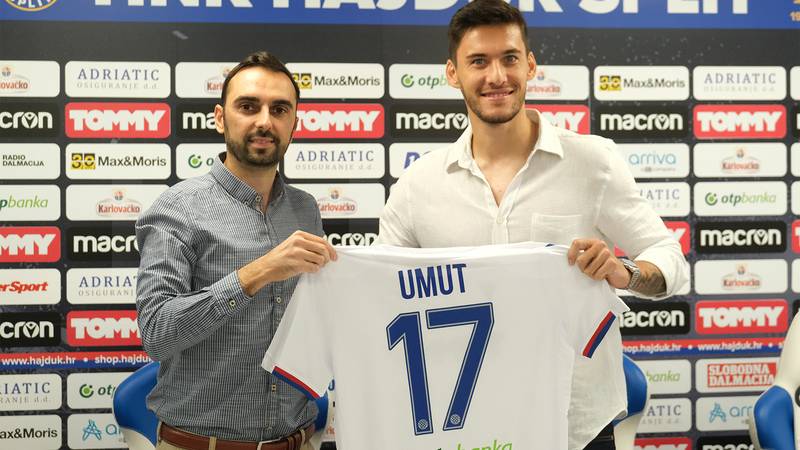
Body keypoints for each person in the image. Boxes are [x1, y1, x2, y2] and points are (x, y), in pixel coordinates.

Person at [377, 2, 690, 449]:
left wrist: (625, 272)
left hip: (576, 425)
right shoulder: (418, 185)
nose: (497, 76)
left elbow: (669, 257)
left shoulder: (593, 163)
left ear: (530, 65)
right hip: (462, 425)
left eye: (509, 58)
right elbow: (381, 292)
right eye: (478, 61)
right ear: (452, 73)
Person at [136, 51, 336, 450]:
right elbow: (156, 333)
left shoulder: (305, 209)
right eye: (248, 106)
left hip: (298, 440)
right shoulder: (177, 208)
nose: (264, 121)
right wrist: (255, 274)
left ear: (294, 124)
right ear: (220, 118)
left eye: (279, 109)